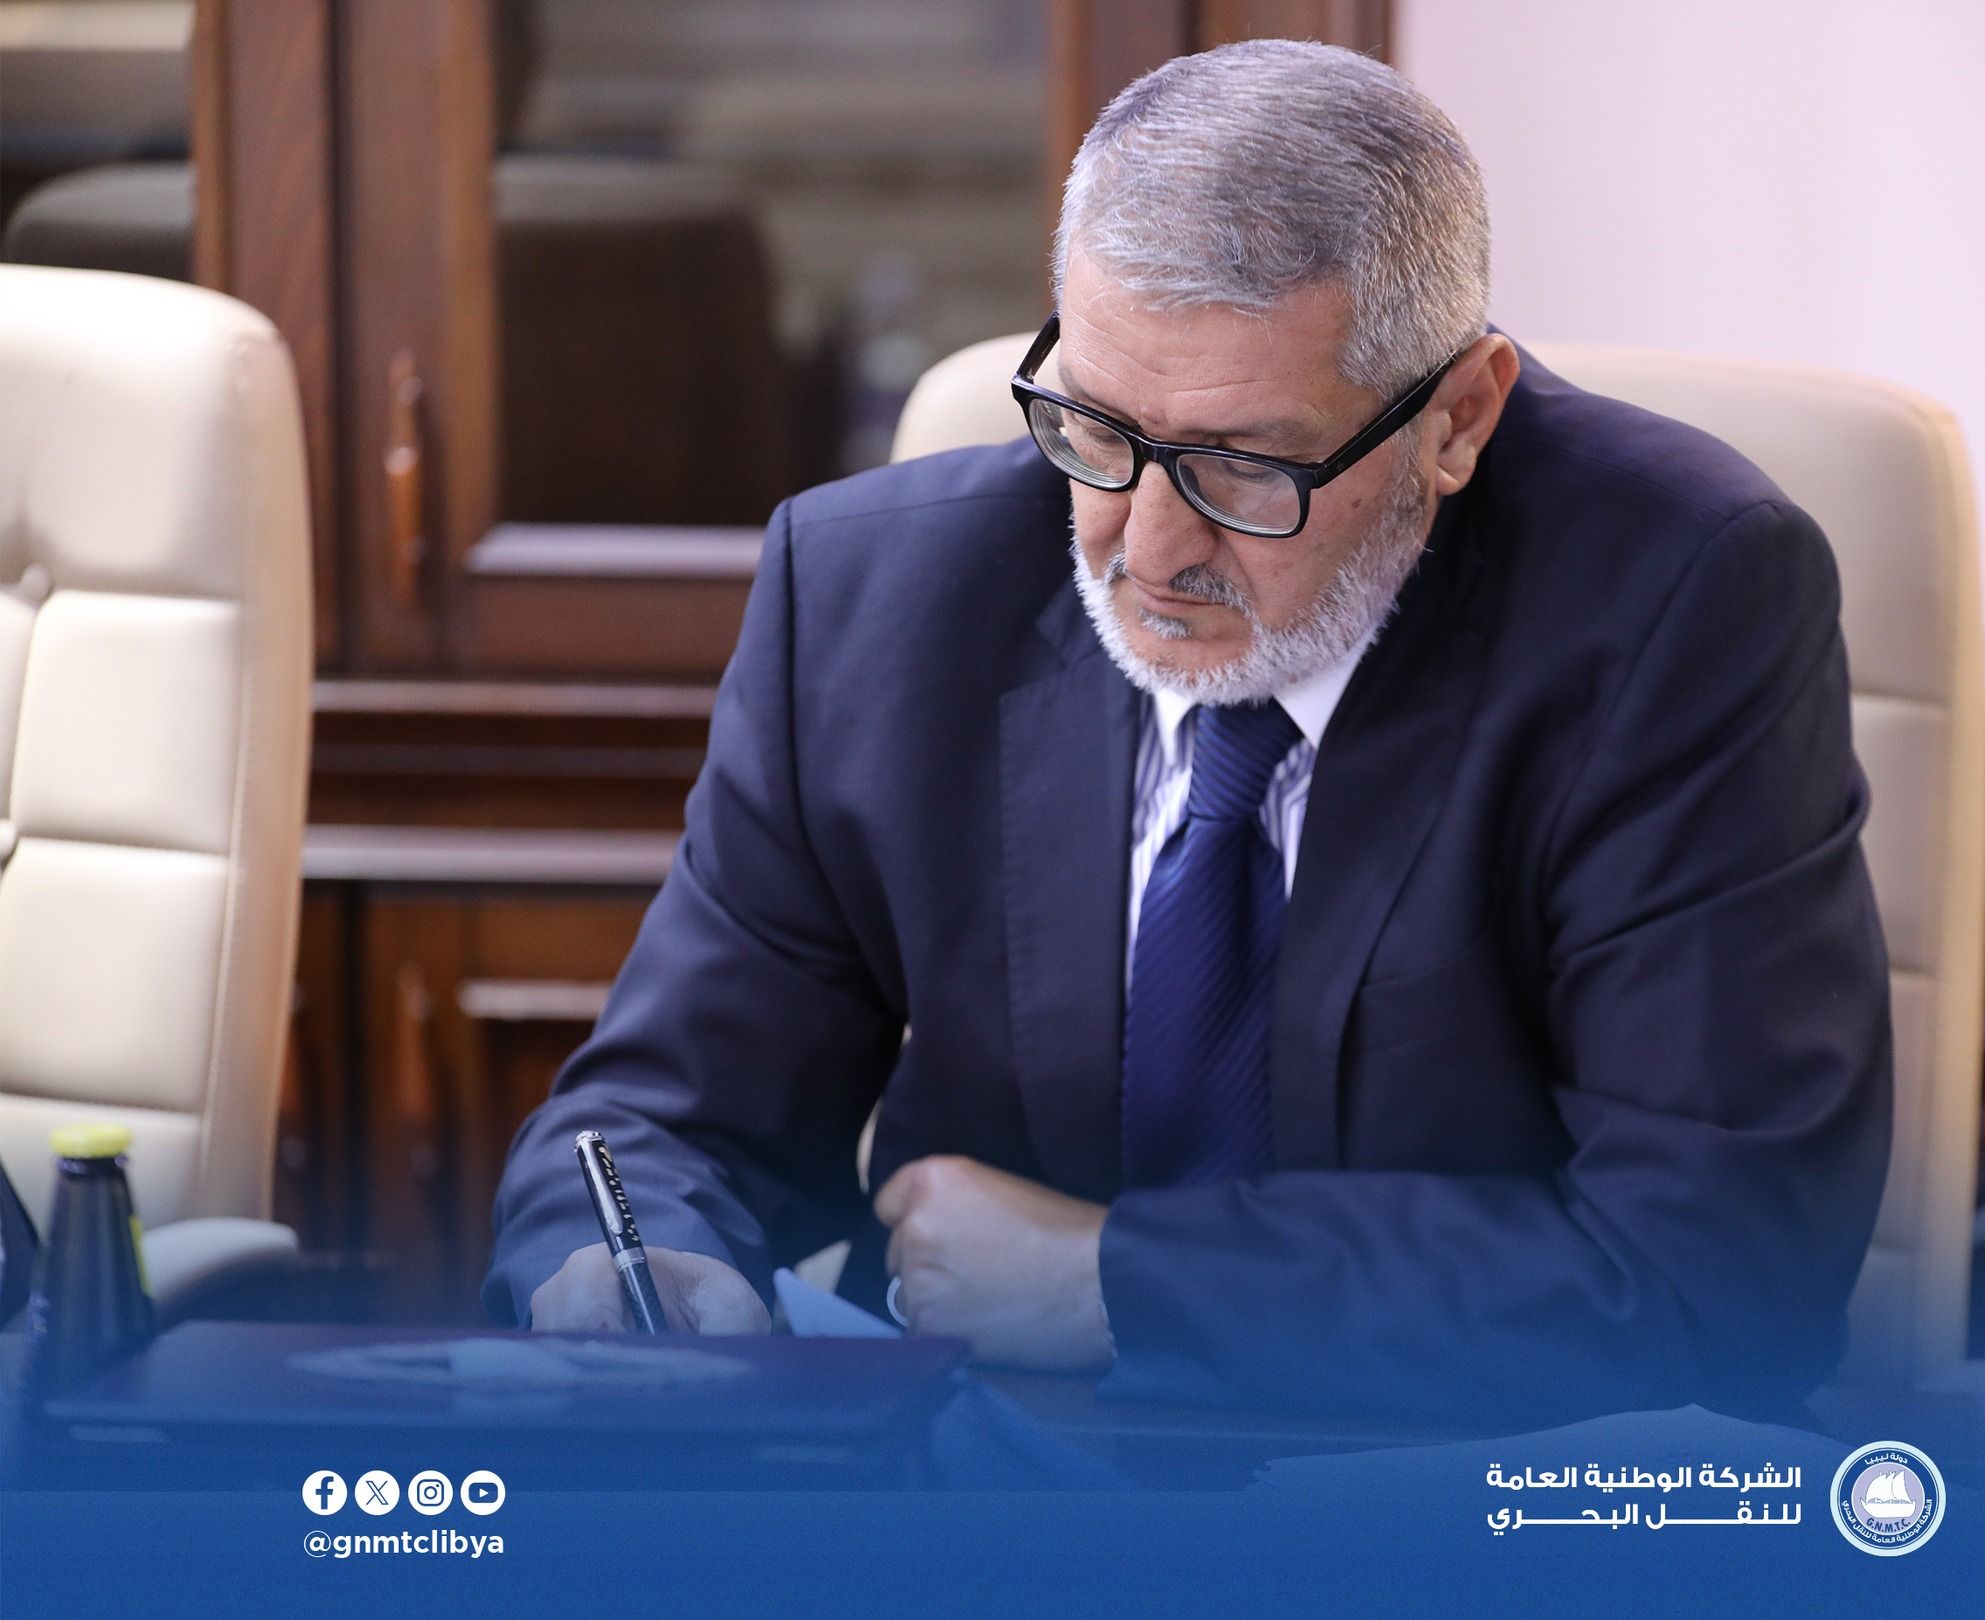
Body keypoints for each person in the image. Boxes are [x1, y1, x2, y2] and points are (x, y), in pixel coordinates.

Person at [486, 40, 1890, 1426]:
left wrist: (1120, 1285)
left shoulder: (1677, 601)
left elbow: (1723, 1271)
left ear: (1457, 420)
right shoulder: (871, 600)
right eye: (1096, 429)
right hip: (985, 1475)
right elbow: (658, 1120)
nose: (1148, 551)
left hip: (1460, 1494)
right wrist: (630, 1271)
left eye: (1245, 466)